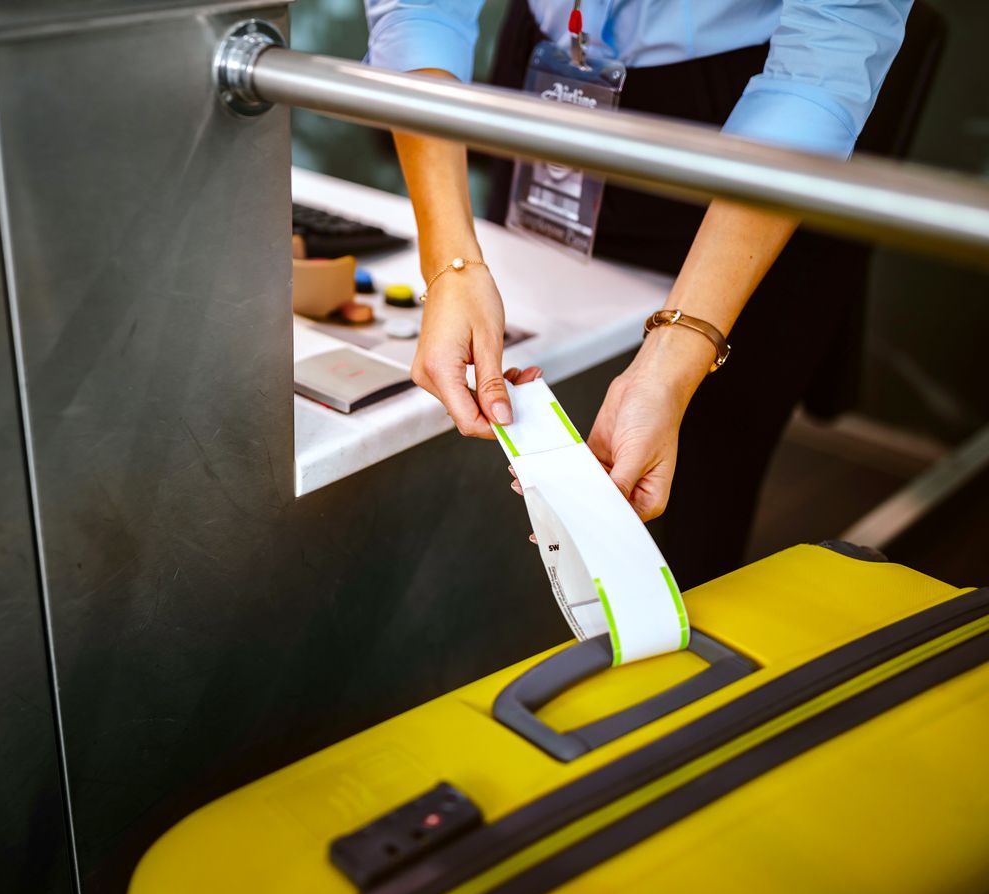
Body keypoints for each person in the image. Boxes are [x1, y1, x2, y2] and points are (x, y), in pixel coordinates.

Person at [364, 0, 911, 586]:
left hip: (758, 127)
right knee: (515, 464)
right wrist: (451, 263)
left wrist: (676, 359)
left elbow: (827, 56)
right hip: (548, 84)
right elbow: (421, 11)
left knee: (688, 502)